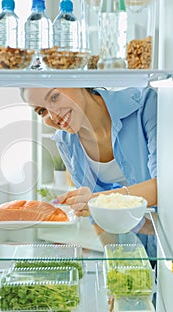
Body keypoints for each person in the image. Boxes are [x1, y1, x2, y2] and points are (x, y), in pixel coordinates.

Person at [20, 87, 157, 257]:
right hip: (142, 240)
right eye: (42, 111)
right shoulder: (65, 142)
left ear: (78, 80)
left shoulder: (145, 105)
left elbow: (165, 184)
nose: (53, 115)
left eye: (54, 97)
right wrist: (115, 260)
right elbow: (97, 217)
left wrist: (98, 201)